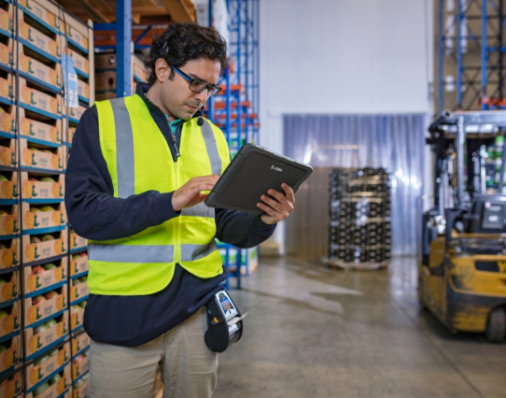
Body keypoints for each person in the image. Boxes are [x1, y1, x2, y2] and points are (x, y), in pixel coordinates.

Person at [65, 23, 296, 398]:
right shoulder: (103, 121)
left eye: (211, 87)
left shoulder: (213, 137)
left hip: (197, 308)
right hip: (125, 312)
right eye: (195, 83)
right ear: (161, 70)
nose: (203, 97)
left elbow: (225, 225)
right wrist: (169, 202)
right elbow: (84, 213)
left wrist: (264, 220)